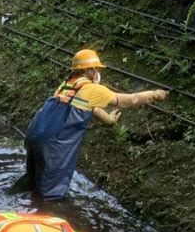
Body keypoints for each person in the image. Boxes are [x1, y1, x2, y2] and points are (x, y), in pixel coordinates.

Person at [25, 48, 169, 200]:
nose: (98, 72)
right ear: (90, 70)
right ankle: (45, 214)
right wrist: (155, 95)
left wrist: (109, 120)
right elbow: (130, 100)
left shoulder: (67, 85)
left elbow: (89, 107)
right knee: (50, 192)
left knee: (34, 183)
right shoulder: (93, 89)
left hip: (35, 135)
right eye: (96, 69)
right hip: (54, 145)